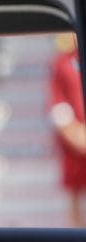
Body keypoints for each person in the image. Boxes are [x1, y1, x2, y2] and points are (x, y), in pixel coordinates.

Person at [49, 34, 86, 227]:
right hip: (74, 142)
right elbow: (58, 103)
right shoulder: (63, 63)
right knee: (75, 195)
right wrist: (74, 133)